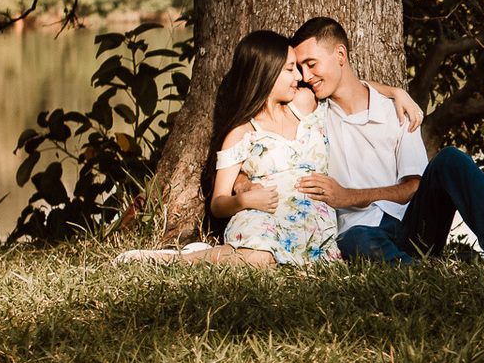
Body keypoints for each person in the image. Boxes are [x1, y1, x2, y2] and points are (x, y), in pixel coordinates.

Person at [116, 29, 417, 266]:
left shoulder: (305, 103)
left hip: (317, 228)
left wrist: (394, 92)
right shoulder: (241, 133)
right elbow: (218, 203)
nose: (300, 76)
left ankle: (214, 253)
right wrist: (246, 199)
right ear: (267, 73)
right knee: (261, 259)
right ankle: (174, 259)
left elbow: (343, 84)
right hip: (264, 219)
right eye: (290, 69)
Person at [289, 17, 484, 265]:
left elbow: (414, 186)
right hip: (362, 235)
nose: (305, 75)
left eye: (311, 64)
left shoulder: (397, 111)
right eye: (300, 67)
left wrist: (349, 196)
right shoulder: (314, 112)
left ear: (340, 55)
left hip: (412, 228)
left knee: (451, 159)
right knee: (356, 240)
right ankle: (438, 269)